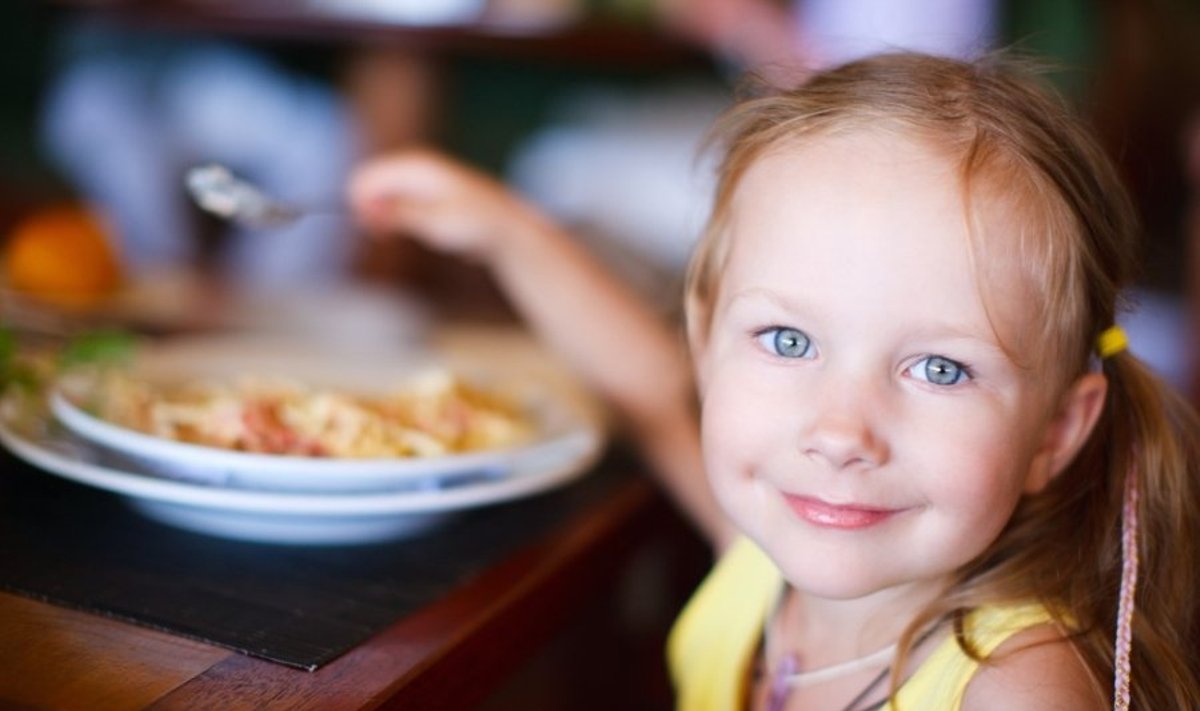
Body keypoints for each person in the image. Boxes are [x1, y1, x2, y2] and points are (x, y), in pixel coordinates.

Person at [348, 52, 1200, 709]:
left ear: (1056, 431)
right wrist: (504, 231)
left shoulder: (1014, 689)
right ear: (707, 338)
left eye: (940, 367)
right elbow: (649, 388)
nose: (839, 431)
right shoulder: (760, 562)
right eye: (788, 339)